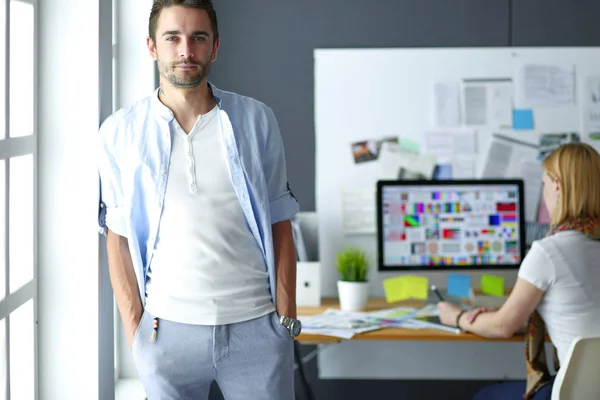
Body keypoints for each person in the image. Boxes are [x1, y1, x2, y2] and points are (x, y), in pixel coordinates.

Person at [96, 1, 301, 398]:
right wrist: (134, 326)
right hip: (165, 334)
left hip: (256, 329)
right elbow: (116, 236)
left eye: (198, 38)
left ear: (215, 46)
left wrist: (285, 317)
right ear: (152, 46)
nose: (185, 51)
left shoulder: (257, 120)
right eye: (172, 38)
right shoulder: (119, 132)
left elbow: (280, 220)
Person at [438, 143, 600, 400]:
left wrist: (456, 317)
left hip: (573, 394)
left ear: (557, 185)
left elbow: (503, 326)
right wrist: (508, 311)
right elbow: (580, 314)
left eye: (544, 183)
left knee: (486, 396)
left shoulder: (549, 251)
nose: (544, 191)